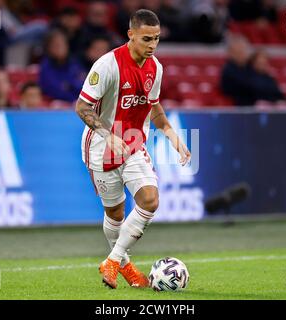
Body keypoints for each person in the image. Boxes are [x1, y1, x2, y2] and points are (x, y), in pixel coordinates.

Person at [75, 9, 191, 289]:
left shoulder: (156, 68)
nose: (152, 45)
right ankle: (124, 266)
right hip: (101, 148)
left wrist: (173, 136)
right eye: (146, 38)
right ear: (131, 35)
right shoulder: (107, 65)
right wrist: (106, 133)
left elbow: (154, 107)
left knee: (150, 200)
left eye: (157, 39)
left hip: (134, 145)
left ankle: (113, 260)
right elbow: (82, 107)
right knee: (115, 214)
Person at [39, 29, 85, 103]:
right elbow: (55, 90)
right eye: (56, 45)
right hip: (55, 107)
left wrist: (69, 85)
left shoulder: (74, 63)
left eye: (63, 44)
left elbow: (83, 86)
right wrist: (72, 88)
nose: (61, 48)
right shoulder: (46, 67)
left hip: (78, 103)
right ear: (48, 48)